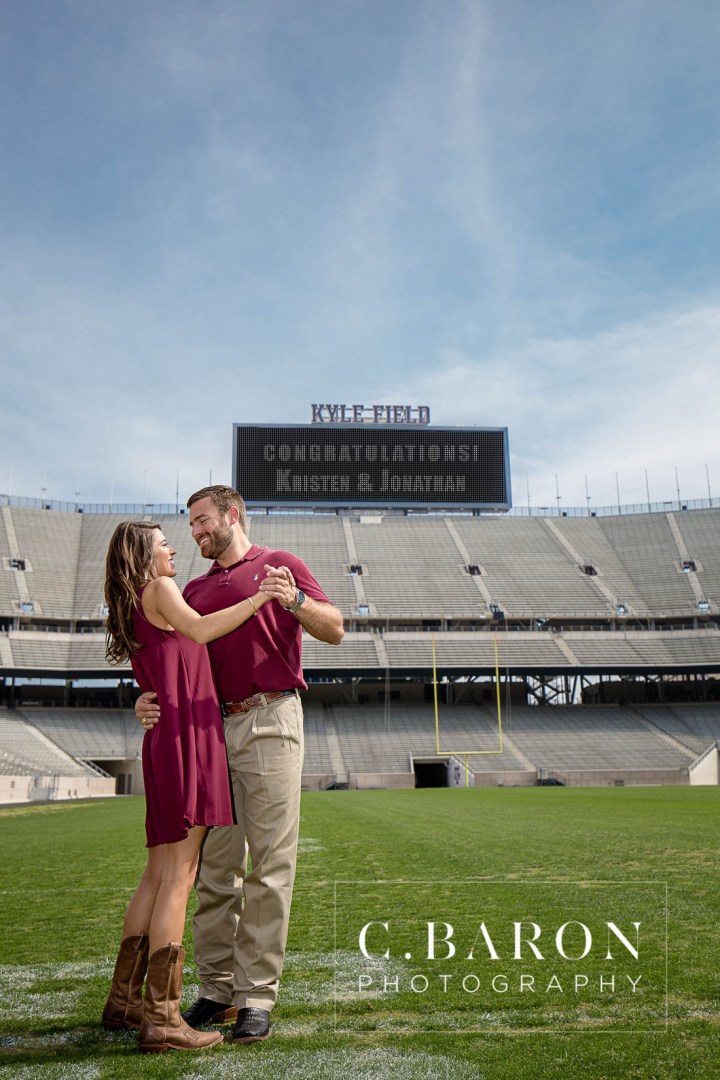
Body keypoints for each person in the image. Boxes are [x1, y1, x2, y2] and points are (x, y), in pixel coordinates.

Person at [135, 485, 343, 1044]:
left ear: (233, 515)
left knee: (270, 863)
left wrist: (294, 601)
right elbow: (168, 654)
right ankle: (217, 991)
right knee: (214, 869)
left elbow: (336, 629)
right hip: (206, 730)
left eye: (203, 521)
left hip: (271, 718)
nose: (196, 533)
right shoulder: (193, 589)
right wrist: (143, 697)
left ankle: (256, 996)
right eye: (191, 525)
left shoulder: (280, 564)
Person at [102, 520, 287, 1053]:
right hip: (187, 736)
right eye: (163, 544)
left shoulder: (134, 601)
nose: (173, 548)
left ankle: (125, 1001)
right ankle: (162, 1018)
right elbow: (203, 632)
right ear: (144, 554)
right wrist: (260, 599)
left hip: (167, 739)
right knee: (180, 877)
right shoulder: (159, 589)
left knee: (159, 873)